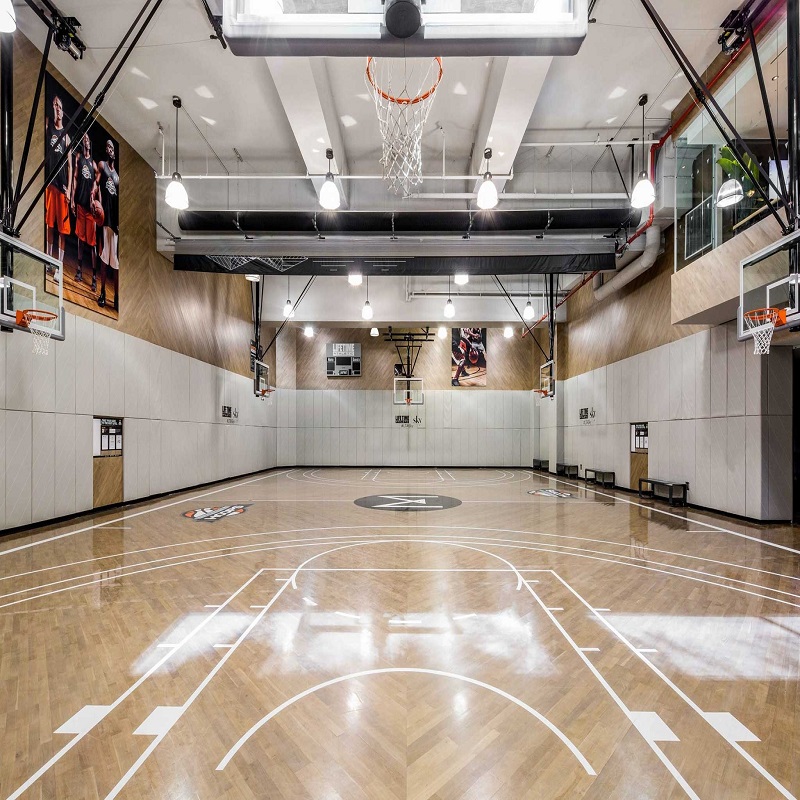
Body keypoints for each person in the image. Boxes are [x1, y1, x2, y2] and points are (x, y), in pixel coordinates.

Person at [44, 94, 72, 278]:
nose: (58, 108)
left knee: (63, 230)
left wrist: (69, 189)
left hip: (62, 187)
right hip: (50, 184)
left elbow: (70, 165)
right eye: (55, 105)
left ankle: (59, 268)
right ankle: (48, 261)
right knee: (49, 226)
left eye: (60, 106)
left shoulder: (67, 138)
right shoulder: (48, 126)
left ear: (63, 111)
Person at [71, 133, 98, 290]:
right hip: (80, 205)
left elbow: (97, 181)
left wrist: (94, 194)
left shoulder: (93, 164)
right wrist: (73, 199)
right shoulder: (79, 158)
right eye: (84, 140)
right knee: (81, 240)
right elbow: (75, 178)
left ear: (90, 143)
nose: (86, 141)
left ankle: (94, 277)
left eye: (88, 139)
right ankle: (79, 270)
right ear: (82, 143)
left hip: (90, 210)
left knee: (92, 245)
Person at [95, 139, 119, 309]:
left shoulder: (118, 177)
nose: (109, 149)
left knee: (116, 264)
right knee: (104, 259)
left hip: (115, 224)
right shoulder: (102, 166)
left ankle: (117, 298)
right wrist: (95, 199)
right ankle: (102, 292)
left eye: (111, 147)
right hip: (104, 221)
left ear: (115, 152)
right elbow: (96, 185)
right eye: (107, 147)